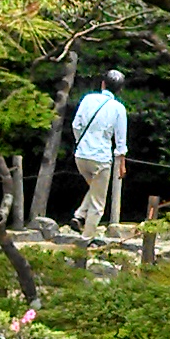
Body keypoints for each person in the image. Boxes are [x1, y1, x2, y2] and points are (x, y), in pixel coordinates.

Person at [69, 71, 130, 232]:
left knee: (95, 190)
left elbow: (76, 125)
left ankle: (79, 216)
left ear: (103, 84)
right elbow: (120, 141)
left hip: (81, 157)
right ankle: (86, 239)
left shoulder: (87, 99)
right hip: (101, 160)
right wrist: (122, 164)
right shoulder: (119, 108)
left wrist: (81, 142)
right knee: (98, 203)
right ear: (120, 90)